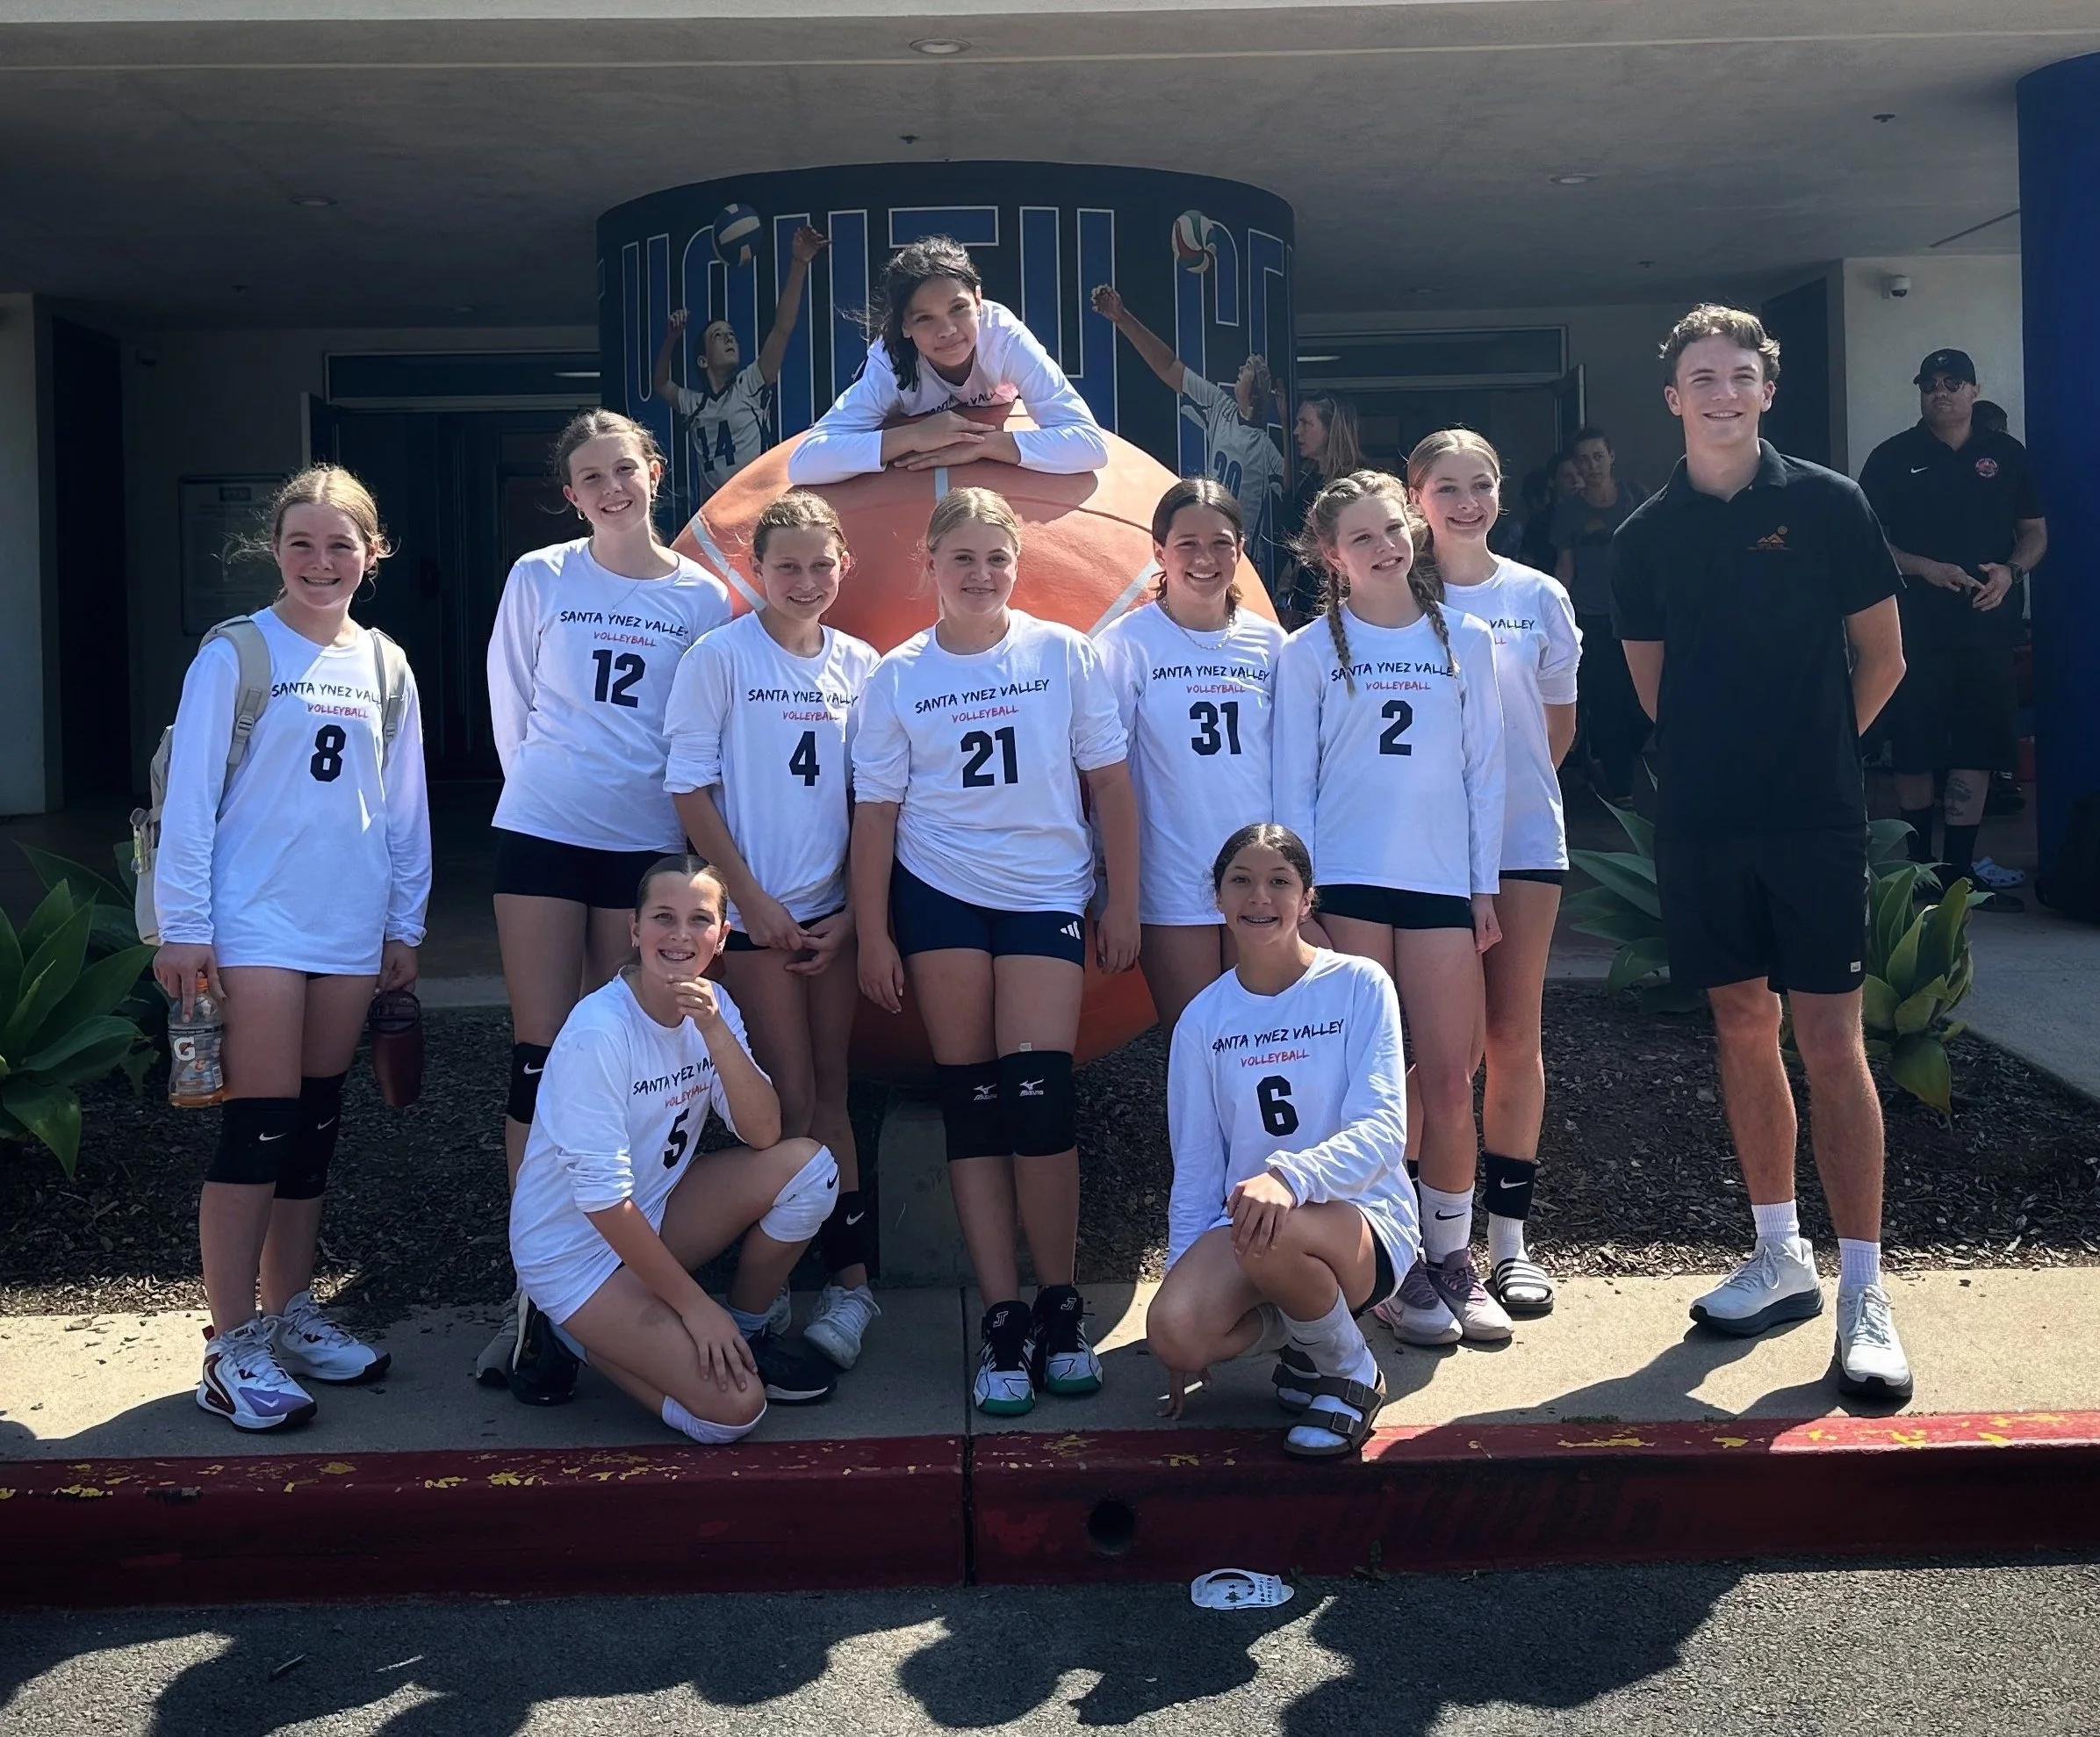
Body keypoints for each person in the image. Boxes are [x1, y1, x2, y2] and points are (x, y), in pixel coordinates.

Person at [1613, 304, 1911, 1402]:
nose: (1722, 393)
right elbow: (1654, 688)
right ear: (1673, 396)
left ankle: (1864, 1291)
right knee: (1742, 1023)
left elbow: (1881, 659)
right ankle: (1779, 1256)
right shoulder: (1644, 536)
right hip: (1703, 821)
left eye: (1740, 374)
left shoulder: (1831, 505)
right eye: (1701, 376)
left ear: (1766, 389)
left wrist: (1816, 757)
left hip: (1813, 820)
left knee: (1831, 1042)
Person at [152, 465, 431, 1431]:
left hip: (348, 925)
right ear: (275, 549)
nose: (322, 562)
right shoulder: (235, 653)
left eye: (341, 544)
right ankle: (229, 1346)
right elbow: (188, 805)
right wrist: (185, 926)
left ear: (372, 551)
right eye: (303, 543)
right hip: (256, 922)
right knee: (259, 1127)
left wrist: (406, 924)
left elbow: (404, 813)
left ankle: (292, 1313)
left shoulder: (387, 664)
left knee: (314, 1128)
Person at [851, 486, 1140, 1416]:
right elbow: (875, 818)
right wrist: (874, 931)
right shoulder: (897, 675)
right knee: (972, 1102)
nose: (980, 574)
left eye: (996, 558)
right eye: (962, 558)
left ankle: (1060, 1302)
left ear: (1018, 565)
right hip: (938, 899)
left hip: (1043, 896)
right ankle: (1003, 1314)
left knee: (1039, 1099)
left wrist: (1120, 899)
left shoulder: (1063, 654)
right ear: (928, 565)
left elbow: (1111, 787)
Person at [481, 411, 733, 1401]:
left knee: (618, 1053)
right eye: (590, 476)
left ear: (652, 473)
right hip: (546, 829)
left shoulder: (702, 597)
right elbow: (512, 704)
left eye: (623, 469)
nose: (610, 487)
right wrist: (548, 791)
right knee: (540, 1053)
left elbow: (704, 728)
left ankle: (615, 1268)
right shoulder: (541, 576)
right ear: (571, 492)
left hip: (643, 848)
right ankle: (538, 1296)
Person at [1273, 470, 1510, 1347]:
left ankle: (1452, 1255)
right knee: (1368, 1089)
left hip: (1440, 885)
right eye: (1360, 538)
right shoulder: (1305, 652)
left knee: (1450, 1078)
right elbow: (1289, 782)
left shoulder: (1469, 640)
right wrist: (1300, 901)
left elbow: (1483, 773)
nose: (1382, 548)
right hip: (1349, 884)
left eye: (1391, 530)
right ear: (1331, 556)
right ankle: (1390, 1261)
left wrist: (1481, 887)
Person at [508, 856, 843, 1438]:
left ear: (721, 937)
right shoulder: (599, 1032)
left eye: (699, 920)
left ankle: (746, 1329)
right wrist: (694, 1307)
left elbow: (765, 1134)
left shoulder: (712, 1006)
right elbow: (603, 1203)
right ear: (635, 932)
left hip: (654, 1213)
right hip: (575, 1254)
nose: (681, 935)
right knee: (736, 1411)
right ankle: (568, 1332)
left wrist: (714, 1031)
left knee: (809, 1170)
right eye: (664, 917)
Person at [663, 490, 882, 1370]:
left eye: (819, 564)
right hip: (756, 920)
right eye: (785, 564)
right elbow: (688, 787)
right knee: (785, 1102)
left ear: (844, 567)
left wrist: (857, 916)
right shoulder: (719, 656)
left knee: (828, 1091)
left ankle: (850, 1286)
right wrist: (746, 897)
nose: (803, 580)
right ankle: (767, 1295)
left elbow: (877, 803)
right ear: (754, 568)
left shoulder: (862, 665)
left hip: (829, 919)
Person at [1146, 824, 1417, 1460]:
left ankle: (1349, 1369)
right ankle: (1308, 1337)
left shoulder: (1359, 985)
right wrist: (1181, 1272)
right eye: (1240, 880)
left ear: (1307, 899)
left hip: (1362, 1223)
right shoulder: (1201, 1022)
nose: (1258, 896)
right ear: (1216, 898)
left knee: (1269, 1223)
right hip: (1250, 1223)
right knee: (1175, 1333)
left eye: (1279, 882)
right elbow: (1195, 1170)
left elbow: (1383, 1132)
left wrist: (1292, 1178)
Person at [1406, 429, 1581, 1315]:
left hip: (1519, 843)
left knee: (1513, 1036)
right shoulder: (1388, 596)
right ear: (1415, 499)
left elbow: (1554, 730)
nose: (1466, 501)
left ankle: (1508, 1242)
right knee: (1430, 1052)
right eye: (1447, 486)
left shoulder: (1537, 595)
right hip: (1421, 850)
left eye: (1482, 483)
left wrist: (1501, 795)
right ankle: (1418, 1241)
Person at [1098, 479, 1287, 1045]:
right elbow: (1107, 774)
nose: (1205, 559)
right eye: (1187, 544)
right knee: (1196, 1041)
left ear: (1241, 549)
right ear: (1159, 551)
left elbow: (1293, 767)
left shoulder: (1272, 645)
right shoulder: (1126, 645)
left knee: (1263, 1040)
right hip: (1172, 871)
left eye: (1221, 543)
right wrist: (1115, 885)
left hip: (1258, 871)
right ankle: (1196, 1141)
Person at [1858, 348, 2047, 912]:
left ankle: (1959, 875)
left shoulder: (2005, 455)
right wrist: (1925, 568)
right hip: (1914, 629)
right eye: (1930, 384)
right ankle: (1918, 871)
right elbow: (1866, 542)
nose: (1940, 393)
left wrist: (2011, 572)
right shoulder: (1893, 457)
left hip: (1986, 628)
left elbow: (2035, 533)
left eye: (1952, 383)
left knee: (1977, 746)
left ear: (1973, 390)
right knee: (1914, 749)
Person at [789, 236, 1108, 485]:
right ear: (904, 326)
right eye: (925, 318)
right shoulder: (889, 362)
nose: (948, 331)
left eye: (958, 309)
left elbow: (1089, 445)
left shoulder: (1005, 338)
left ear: (979, 301)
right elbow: (806, 461)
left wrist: (985, 445)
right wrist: (913, 436)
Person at [1089, 285, 1286, 584]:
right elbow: (1169, 367)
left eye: (1246, 369)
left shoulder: (1266, 447)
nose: (1239, 370)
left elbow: (1290, 487)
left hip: (1242, 553)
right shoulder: (1221, 407)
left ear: (1256, 390)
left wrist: (1285, 418)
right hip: (1204, 531)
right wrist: (1122, 318)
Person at [652, 225, 828, 514]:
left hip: (759, 508)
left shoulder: (750, 384)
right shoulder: (695, 404)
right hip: (716, 514)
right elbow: (661, 383)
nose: (729, 338)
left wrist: (799, 263)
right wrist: (672, 337)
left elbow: (782, 329)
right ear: (703, 361)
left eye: (731, 333)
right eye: (718, 336)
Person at [1550, 426, 1650, 801]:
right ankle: (1621, 789)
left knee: (1645, 706)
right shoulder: (1569, 512)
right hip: (1592, 619)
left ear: (1611, 456)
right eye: (1583, 459)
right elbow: (1565, 566)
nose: (1591, 465)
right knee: (1608, 704)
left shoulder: (1638, 499)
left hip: (1640, 617)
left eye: (1597, 456)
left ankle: (1622, 758)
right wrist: (1557, 615)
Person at [1276, 393, 1364, 626]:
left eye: (1305, 423)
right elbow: (1286, 493)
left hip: (1335, 592)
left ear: (1331, 430)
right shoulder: (1310, 477)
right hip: (1305, 590)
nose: (1297, 431)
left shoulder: (1354, 484)